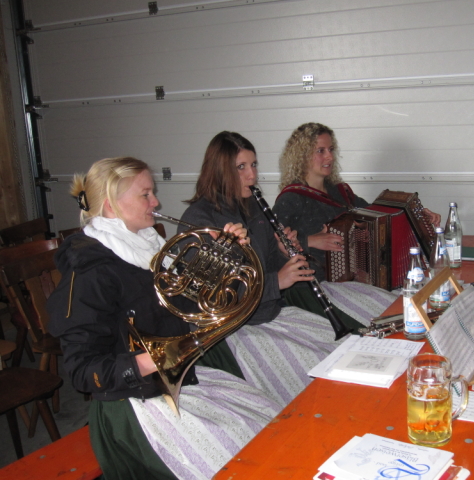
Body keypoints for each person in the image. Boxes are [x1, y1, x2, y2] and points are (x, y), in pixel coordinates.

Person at [47, 157, 283, 480]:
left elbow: (198, 302)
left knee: (268, 419)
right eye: (145, 194)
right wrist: (151, 360)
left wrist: (227, 253)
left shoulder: (150, 247)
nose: (155, 202)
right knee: (247, 458)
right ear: (112, 206)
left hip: (175, 382)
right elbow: (82, 371)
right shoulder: (89, 271)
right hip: (133, 405)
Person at [179, 131, 396, 404]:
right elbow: (213, 299)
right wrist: (277, 281)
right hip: (237, 331)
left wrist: (284, 253)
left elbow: (269, 264)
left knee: (348, 349)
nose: (252, 175)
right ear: (220, 171)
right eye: (241, 167)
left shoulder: (253, 206)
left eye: (254, 164)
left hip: (270, 313)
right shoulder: (198, 220)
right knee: (323, 369)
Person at [274, 122, 441, 283]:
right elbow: (269, 245)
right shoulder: (291, 199)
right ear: (302, 156)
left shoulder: (340, 192)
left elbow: (377, 215)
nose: (330, 156)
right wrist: (309, 241)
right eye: (320, 151)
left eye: (331, 149)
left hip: (357, 278)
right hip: (317, 283)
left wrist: (417, 215)